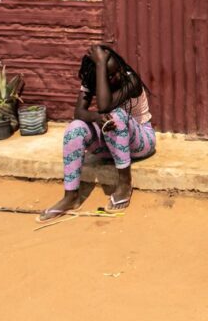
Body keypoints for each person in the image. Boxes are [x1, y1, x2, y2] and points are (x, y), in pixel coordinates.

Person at [39, 44, 156, 221]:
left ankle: (124, 183)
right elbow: (79, 112)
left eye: (117, 70)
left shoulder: (131, 80)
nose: (117, 76)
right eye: (109, 75)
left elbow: (104, 106)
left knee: (115, 116)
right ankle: (70, 196)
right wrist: (95, 117)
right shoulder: (93, 81)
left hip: (142, 142)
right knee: (75, 127)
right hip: (111, 144)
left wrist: (102, 64)